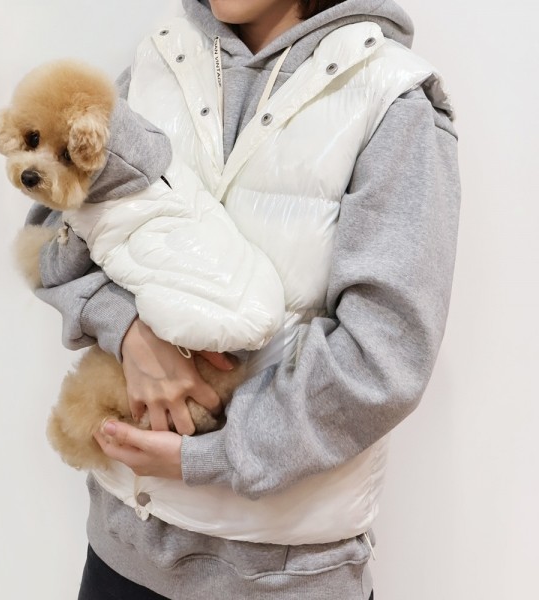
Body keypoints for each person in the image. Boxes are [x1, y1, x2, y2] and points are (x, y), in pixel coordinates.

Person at [27, 0, 460, 598]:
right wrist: (127, 330)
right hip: (121, 551)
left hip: (283, 577)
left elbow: (385, 355)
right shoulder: (160, 59)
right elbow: (52, 232)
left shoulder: (392, 100)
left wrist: (209, 457)